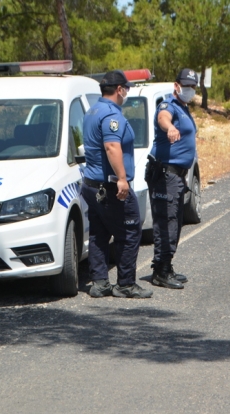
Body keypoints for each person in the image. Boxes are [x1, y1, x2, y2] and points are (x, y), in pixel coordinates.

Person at [82, 70, 153, 299]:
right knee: (130, 230)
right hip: (110, 186)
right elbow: (112, 147)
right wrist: (122, 178)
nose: (128, 93)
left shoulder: (92, 110)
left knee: (99, 233)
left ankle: (100, 282)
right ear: (119, 89)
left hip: (92, 185)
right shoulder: (112, 115)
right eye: (127, 88)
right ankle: (125, 284)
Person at [145, 68, 199, 289]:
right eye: (186, 85)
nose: (190, 90)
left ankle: (167, 265)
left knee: (175, 222)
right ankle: (160, 271)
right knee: (166, 223)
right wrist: (169, 128)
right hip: (164, 174)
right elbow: (162, 118)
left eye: (193, 86)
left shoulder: (184, 108)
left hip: (176, 175)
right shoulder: (168, 105)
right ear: (176, 86)